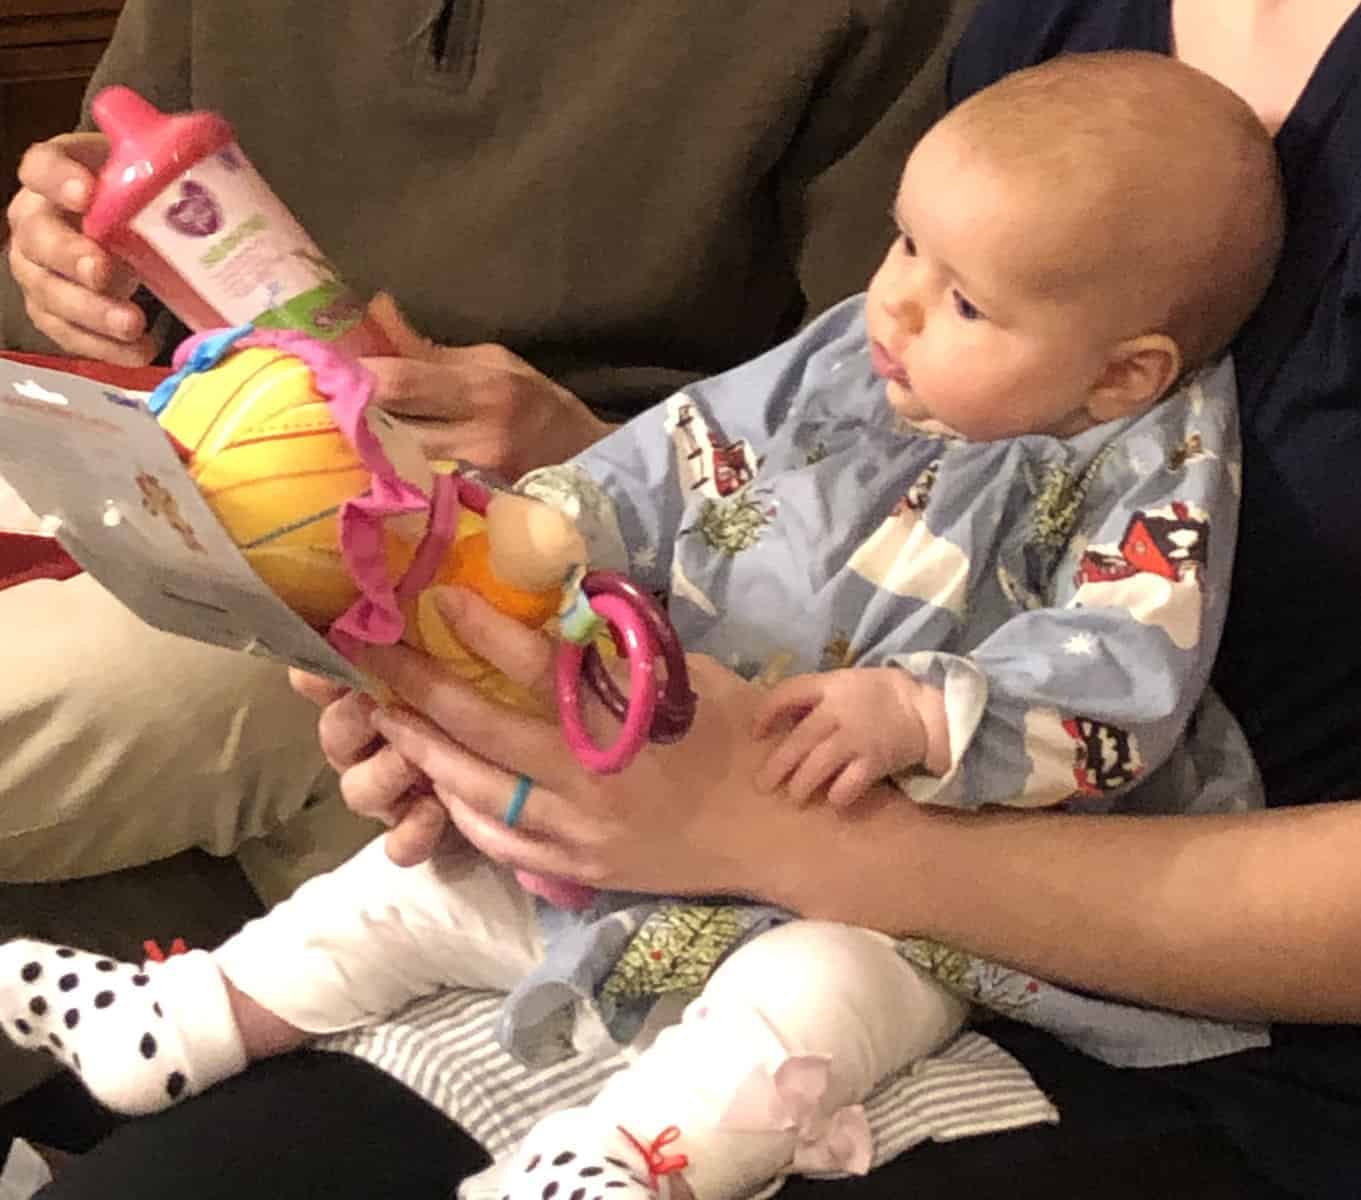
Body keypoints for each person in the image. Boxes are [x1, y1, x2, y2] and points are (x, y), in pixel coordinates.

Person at [1, 50, 1289, 1200]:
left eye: (964, 302)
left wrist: (925, 712)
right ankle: (189, 1014)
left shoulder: (1150, 465)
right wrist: (537, 527)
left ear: (1123, 370)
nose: (892, 307)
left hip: (925, 885)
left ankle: (627, 1160)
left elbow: (1124, 675)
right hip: (677, 772)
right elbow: (690, 449)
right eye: (904, 249)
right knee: (427, 882)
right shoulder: (860, 348)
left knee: (807, 1012)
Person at [0, 0, 967, 1120]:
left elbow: (912, 458)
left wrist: (595, 456)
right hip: (184, 462)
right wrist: (67, 259)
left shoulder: (870, 30)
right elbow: (109, 231)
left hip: (544, 582)